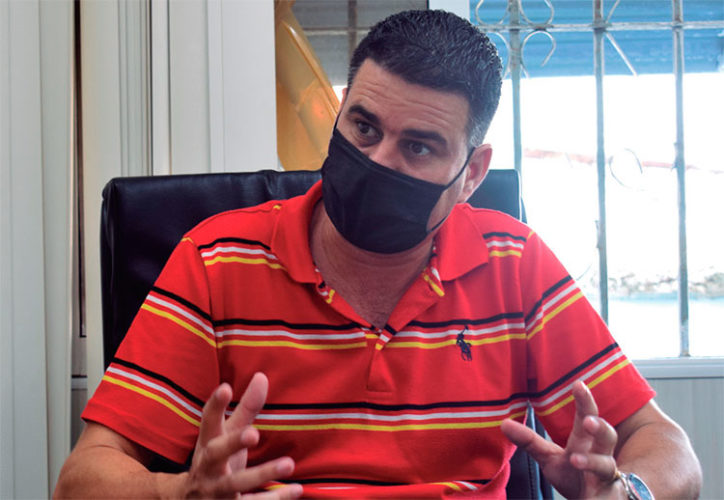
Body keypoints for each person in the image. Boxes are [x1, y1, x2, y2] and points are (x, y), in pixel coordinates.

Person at [55, 9, 701, 499]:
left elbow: (669, 449)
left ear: (472, 174)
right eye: (363, 127)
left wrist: (624, 492)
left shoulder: (515, 264)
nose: (377, 161)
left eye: (418, 147)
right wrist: (180, 492)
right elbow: (82, 480)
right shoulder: (217, 258)